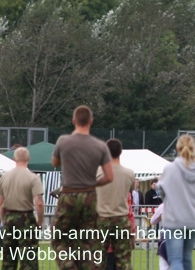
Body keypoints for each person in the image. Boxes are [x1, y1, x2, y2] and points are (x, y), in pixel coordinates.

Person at [51, 105, 114, 270]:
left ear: (73, 121)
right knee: (87, 240)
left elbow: (55, 163)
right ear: (91, 122)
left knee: (59, 236)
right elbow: (109, 176)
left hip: (69, 194)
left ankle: (68, 265)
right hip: (90, 196)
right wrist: (93, 183)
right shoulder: (100, 146)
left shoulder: (63, 141)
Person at [159, 135, 195, 270]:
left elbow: (162, 193)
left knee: (175, 260)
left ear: (177, 149)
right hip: (193, 220)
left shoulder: (170, 169)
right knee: (187, 259)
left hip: (174, 220)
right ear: (193, 149)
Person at [0, 147, 45, 270]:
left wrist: (4, 221)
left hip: (9, 218)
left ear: (14, 159)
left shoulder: (4, 177)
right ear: (28, 159)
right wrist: (39, 222)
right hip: (26, 219)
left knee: (8, 260)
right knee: (28, 260)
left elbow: (1, 204)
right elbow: (39, 203)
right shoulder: (33, 178)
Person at [96, 139, 136, 270]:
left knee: (97, 260)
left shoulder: (97, 172)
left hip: (101, 218)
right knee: (123, 261)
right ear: (120, 152)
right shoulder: (129, 174)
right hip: (121, 218)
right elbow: (129, 193)